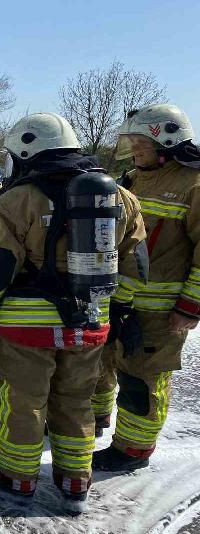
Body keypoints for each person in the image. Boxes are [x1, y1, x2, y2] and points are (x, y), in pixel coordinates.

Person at [0, 113, 147, 512]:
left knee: (24, 401)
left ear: (28, 152)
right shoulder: (120, 197)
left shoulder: (16, 200)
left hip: (26, 328)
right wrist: (120, 312)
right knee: (75, 401)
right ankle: (74, 481)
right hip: (89, 322)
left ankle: (15, 478)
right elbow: (135, 265)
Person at [91, 104, 200, 471]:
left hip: (160, 310)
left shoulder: (193, 185)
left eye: (140, 143)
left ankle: (133, 450)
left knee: (142, 377)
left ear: (166, 141)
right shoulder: (134, 178)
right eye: (132, 142)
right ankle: (95, 420)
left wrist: (190, 306)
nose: (134, 149)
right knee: (101, 363)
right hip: (120, 300)